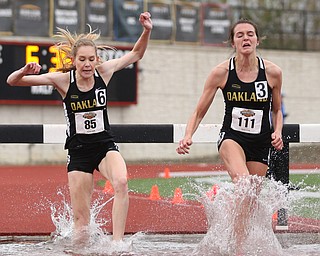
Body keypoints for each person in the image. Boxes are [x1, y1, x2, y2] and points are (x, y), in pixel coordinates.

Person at [7, 12, 152, 246]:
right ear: (74, 60)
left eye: (91, 59)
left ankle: (117, 245)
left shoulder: (104, 72)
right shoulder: (63, 80)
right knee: (81, 224)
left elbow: (136, 54)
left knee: (122, 182)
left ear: (96, 60)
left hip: (104, 146)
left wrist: (146, 30)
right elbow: (12, 82)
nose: (87, 64)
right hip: (79, 152)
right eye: (82, 59)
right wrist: (24, 70)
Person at [176, 19, 283, 254]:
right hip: (232, 137)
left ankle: (237, 246)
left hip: (260, 141)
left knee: (250, 200)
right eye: (240, 35)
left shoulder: (273, 73)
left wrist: (278, 131)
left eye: (250, 34)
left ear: (257, 39)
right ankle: (230, 236)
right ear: (232, 41)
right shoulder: (222, 72)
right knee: (244, 185)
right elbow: (199, 110)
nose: (246, 39)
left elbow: (276, 110)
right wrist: (187, 135)